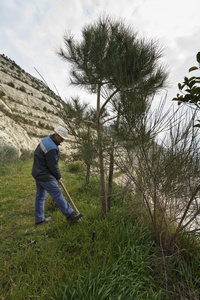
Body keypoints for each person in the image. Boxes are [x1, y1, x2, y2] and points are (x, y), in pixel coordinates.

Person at [32, 126, 83, 225]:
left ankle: (39, 220)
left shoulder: (46, 140)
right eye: (61, 138)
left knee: (40, 195)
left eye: (64, 138)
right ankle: (70, 215)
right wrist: (58, 177)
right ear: (56, 135)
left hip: (37, 171)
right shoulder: (51, 148)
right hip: (44, 174)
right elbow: (53, 166)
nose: (63, 140)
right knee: (57, 192)